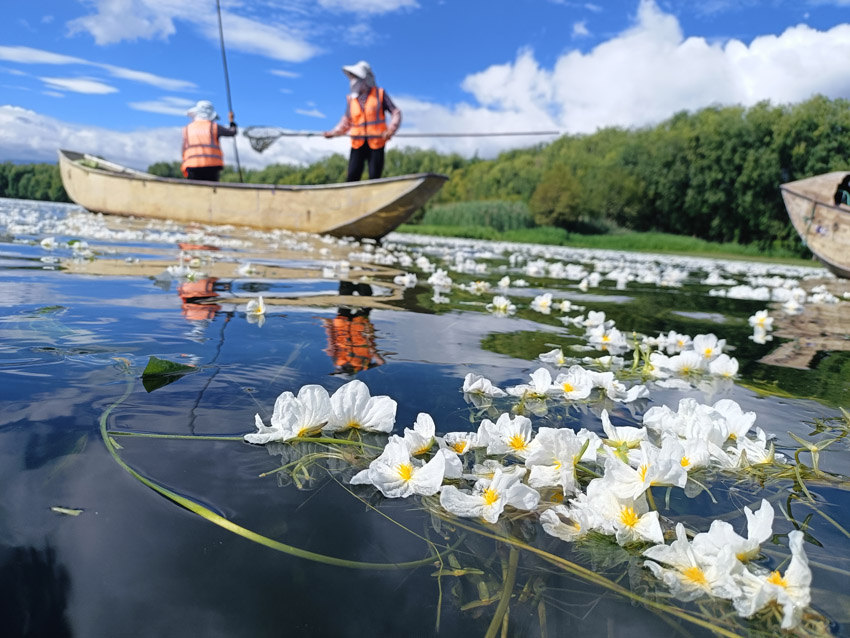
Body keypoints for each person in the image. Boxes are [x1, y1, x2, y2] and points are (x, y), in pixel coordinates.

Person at [323, 61, 402, 182]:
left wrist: (391, 129)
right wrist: (333, 133)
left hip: (376, 141)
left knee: (375, 176)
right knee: (352, 175)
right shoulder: (352, 100)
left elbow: (396, 113)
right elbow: (346, 121)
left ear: (365, 80)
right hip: (357, 142)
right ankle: (351, 198)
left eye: (356, 77)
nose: (353, 81)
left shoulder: (379, 94)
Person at [181, 100, 237, 181]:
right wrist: (231, 121)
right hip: (211, 166)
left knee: (194, 191)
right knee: (211, 191)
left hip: (192, 165)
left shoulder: (187, 129)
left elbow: (183, 148)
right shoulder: (214, 127)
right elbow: (232, 132)